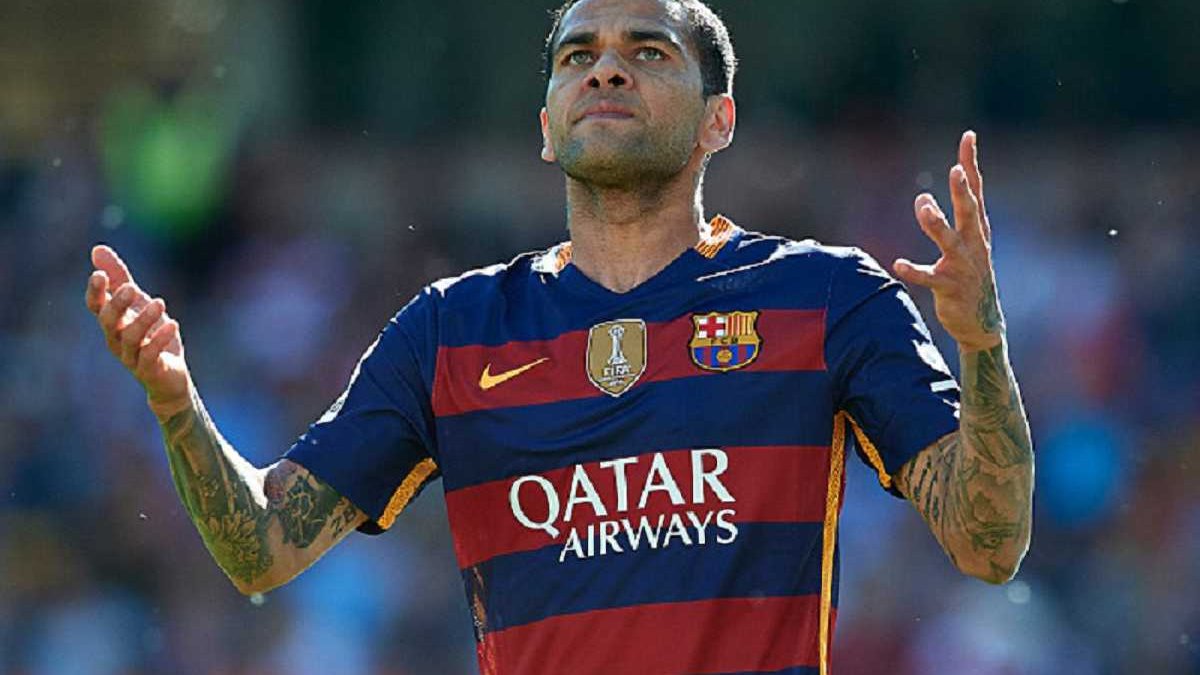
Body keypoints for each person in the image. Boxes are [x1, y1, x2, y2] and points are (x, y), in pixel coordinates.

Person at [85, 0, 1034, 672]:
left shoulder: (826, 299)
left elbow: (989, 542)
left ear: (719, 120)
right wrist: (177, 405)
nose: (606, 68)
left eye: (649, 51)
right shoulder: (451, 331)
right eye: (579, 55)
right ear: (546, 126)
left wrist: (983, 348)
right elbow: (262, 546)